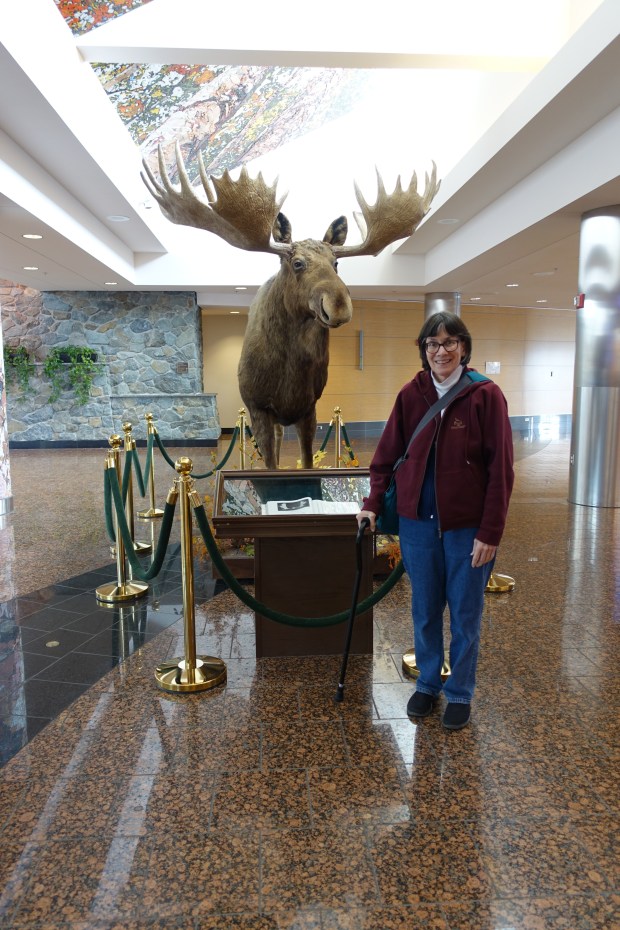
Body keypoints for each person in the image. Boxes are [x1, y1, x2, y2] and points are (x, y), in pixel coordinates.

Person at [357, 311, 514, 730]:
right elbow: (386, 456)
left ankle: (460, 690)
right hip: (418, 524)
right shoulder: (413, 393)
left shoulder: (485, 396)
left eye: (448, 343)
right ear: (423, 350)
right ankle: (428, 682)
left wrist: (490, 532)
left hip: (467, 528)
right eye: (432, 344)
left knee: (465, 613)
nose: (440, 351)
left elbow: (501, 470)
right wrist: (373, 503)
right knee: (424, 610)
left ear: (463, 346)